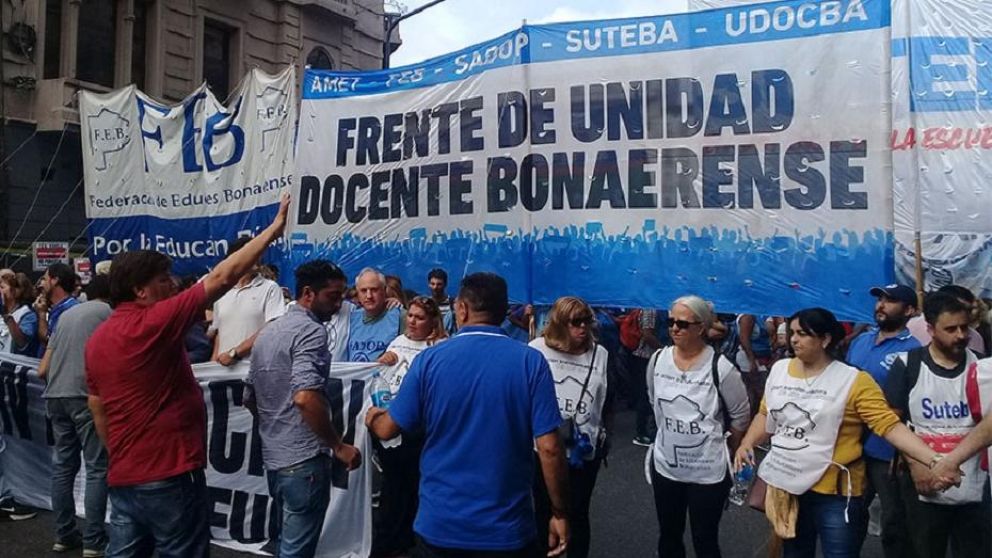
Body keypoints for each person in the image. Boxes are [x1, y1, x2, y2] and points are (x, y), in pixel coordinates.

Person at [84, 192, 291, 557]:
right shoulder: (153, 322)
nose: (174, 285)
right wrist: (273, 230)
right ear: (140, 290)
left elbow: (97, 405)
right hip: (169, 474)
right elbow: (223, 276)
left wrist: (119, 453)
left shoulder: (98, 338)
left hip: (126, 475)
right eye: (165, 279)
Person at [366, 272, 569, 558]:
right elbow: (549, 448)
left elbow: (388, 429)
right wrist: (559, 511)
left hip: (441, 525)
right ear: (502, 311)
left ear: (461, 309)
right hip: (507, 529)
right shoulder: (530, 361)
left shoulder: (430, 360)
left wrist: (373, 416)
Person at [735, 308, 958, 558]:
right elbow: (766, 414)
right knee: (795, 552)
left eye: (803, 334)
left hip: (835, 494)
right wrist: (747, 443)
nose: (794, 339)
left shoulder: (854, 380)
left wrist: (934, 459)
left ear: (825, 339)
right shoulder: (780, 370)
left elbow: (889, 425)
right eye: (793, 333)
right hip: (788, 486)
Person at [245, 259, 362, 558]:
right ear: (308, 293)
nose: (338, 304)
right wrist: (337, 446)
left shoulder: (269, 331)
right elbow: (305, 397)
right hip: (304, 460)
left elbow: (250, 397)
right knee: (296, 550)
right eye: (333, 296)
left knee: (286, 542)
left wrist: (274, 425)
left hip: (275, 457)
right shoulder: (311, 332)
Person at [884, 292, 989, 558]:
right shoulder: (908, 365)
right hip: (922, 484)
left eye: (964, 327)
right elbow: (893, 422)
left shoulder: (982, 367)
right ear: (930, 329)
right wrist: (916, 465)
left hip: (975, 482)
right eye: (950, 329)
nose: (960, 335)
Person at [647, 296, 750, 558]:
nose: (674, 328)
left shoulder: (721, 368)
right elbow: (654, 401)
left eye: (682, 323)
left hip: (707, 471)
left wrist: (729, 449)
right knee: (668, 535)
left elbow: (740, 416)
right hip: (666, 466)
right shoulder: (658, 360)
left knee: (705, 539)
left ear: (701, 327)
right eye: (670, 322)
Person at [529, 297, 610, 558]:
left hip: (582, 449)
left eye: (587, 320)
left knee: (577, 513)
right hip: (541, 446)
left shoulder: (600, 353)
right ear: (560, 323)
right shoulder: (536, 350)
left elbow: (605, 399)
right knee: (543, 510)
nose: (583, 327)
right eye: (576, 322)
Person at [845, 284, 921, 558]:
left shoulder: (914, 351)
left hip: (887, 450)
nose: (881, 305)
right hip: (851, 444)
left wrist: (904, 451)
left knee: (894, 522)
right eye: (880, 299)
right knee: (849, 514)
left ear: (910, 310)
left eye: (891, 300)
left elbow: (911, 406)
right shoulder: (860, 341)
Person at [38, 275, 112, 556]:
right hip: (84, 396)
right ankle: (94, 540)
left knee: (63, 468)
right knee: (96, 468)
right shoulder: (108, 314)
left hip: (56, 395)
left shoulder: (66, 316)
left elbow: (42, 369)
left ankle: (64, 534)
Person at [372, 296, 449, 558]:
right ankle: (388, 540)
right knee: (393, 486)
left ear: (432, 321)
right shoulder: (399, 341)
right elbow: (380, 377)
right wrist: (382, 361)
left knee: (416, 486)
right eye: (411, 316)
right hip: (393, 423)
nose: (413, 321)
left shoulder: (440, 346)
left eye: (419, 317)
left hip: (422, 429)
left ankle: (411, 539)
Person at [210, 236, 286, 366]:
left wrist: (235, 353)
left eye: (258, 252)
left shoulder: (270, 288)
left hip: (256, 370)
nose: (257, 257)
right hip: (223, 373)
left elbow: (272, 328)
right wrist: (212, 364)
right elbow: (219, 332)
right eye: (252, 253)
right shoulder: (222, 292)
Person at [909, 285, 987, 357]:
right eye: (957, 308)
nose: (961, 335)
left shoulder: (976, 339)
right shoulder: (910, 328)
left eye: (969, 310)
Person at [346, 268, 404, 362]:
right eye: (363, 291)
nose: (369, 296)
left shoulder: (400, 316)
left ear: (384, 290)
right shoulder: (350, 318)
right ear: (358, 293)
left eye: (374, 290)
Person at [627, 307, 662, 446]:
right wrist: (663, 350)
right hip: (645, 357)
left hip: (648, 356)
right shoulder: (650, 310)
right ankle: (641, 432)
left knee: (647, 394)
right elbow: (647, 335)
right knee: (645, 395)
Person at [35, 263, 79, 356]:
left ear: (55, 280)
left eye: (44, 279)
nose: (41, 284)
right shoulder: (58, 307)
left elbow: (49, 341)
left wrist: (42, 314)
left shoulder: (68, 309)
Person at [1, 272, 40, 356]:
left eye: (2, 287)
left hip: (12, 366)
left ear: (16, 291)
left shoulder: (27, 314)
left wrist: (8, 317)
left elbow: (22, 343)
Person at [427, 268, 456, 335]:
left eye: (439, 284)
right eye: (432, 284)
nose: (435, 287)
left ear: (445, 284)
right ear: (429, 284)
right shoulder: (425, 304)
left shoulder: (452, 305)